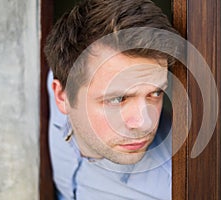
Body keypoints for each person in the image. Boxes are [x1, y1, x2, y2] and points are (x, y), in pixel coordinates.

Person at [44, 0, 178, 199]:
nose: (145, 123)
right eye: (118, 99)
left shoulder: (169, 188)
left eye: (155, 93)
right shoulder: (64, 75)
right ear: (62, 97)